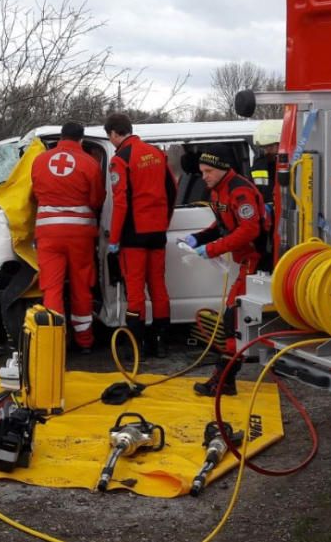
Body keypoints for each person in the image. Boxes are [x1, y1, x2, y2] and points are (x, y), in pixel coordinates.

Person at [181, 146, 269, 396]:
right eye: (202, 171)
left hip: (257, 259)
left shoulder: (239, 190)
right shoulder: (217, 190)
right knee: (234, 315)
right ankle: (225, 380)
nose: (204, 176)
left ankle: (224, 380)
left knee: (234, 316)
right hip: (244, 260)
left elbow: (249, 229)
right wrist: (198, 238)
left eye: (208, 171)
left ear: (221, 169)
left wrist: (212, 249)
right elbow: (222, 223)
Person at [105, 113, 177, 358]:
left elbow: (121, 202)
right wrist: (163, 222)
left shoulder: (120, 159)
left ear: (114, 133)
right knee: (158, 287)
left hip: (133, 235)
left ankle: (135, 347)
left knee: (135, 290)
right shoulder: (156, 153)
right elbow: (172, 189)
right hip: (157, 233)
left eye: (110, 136)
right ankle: (161, 343)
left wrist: (114, 240)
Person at [32, 121, 104, 353]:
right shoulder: (90, 163)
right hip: (79, 235)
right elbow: (96, 200)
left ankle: (54, 344)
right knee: (81, 286)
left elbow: (34, 193)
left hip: (48, 234)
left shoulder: (40, 161)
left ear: (61, 137)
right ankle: (85, 342)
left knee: (52, 288)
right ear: (81, 139)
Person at [249, 119, 281, 271]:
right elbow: (254, 188)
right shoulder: (258, 164)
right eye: (264, 147)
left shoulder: (292, 164)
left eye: (270, 146)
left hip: (282, 220)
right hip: (263, 220)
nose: (266, 151)